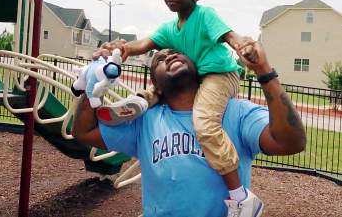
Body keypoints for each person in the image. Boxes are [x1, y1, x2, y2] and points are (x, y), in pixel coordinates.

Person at [72, 41, 306, 217]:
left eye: (176, 52)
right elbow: (84, 132)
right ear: (156, 85)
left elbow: (290, 142)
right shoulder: (145, 121)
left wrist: (264, 71)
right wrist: (94, 79)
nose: (169, 54)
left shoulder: (237, 112)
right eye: (159, 59)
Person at [94, 0, 255, 212]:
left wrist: (241, 44)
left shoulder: (205, 16)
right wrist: (122, 48)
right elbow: (145, 44)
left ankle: (241, 197)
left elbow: (229, 36)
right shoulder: (170, 28)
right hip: (197, 77)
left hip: (219, 75)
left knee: (204, 123)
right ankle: (141, 101)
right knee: (162, 88)